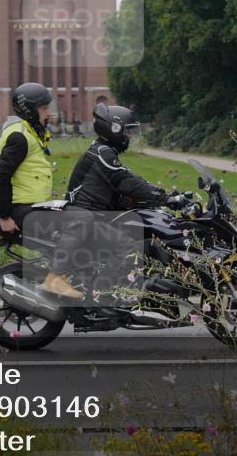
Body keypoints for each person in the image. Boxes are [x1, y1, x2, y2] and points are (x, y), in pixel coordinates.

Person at [42, 103, 187, 309]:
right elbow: (127, 182)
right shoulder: (102, 153)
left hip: (92, 215)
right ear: (114, 129)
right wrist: (166, 198)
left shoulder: (104, 151)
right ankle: (104, 295)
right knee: (128, 246)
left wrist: (162, 198)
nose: (129, 136)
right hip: (83, 216)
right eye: (127, 131)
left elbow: (125, 186)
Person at [0, 83, 81, 298]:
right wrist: (4, 216)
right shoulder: (20, 137)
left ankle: (69, 276)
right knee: (81, 219)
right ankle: (55, 277)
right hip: (22, 212)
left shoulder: (29, 133)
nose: (48, 113)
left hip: (33, 208)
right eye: (44, 108)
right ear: (30, 110)